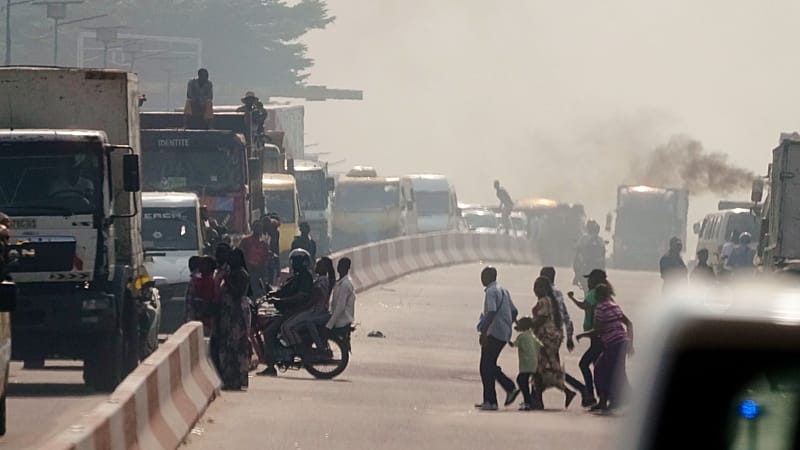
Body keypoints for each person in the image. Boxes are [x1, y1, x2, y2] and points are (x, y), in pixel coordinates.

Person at [577, 283, 634, 412]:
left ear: (597, 295)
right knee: (606, 370)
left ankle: (613, 400)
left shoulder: (600, 308)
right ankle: (607, 400)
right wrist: (630, 342)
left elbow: (597, 330)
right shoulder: (614, 305)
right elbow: (629, 323)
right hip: (621, 342)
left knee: (604, 371)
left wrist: (582, 335)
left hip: (613, 344)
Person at [259, 248, 314, 377]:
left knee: (268, 332)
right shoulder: (297, 277)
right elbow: (286, 290)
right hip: (288, 310)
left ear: (303, 262)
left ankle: (271, 367)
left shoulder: (305, 278)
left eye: (296, 261)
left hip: (294, 311)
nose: (294, 264)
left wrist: (280, 300)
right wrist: (273, 293)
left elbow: (300, 296)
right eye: (293, 261)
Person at [540, 267, 588, 403]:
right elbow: (566, 316)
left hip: (549, 336)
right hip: (556, 335)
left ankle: (577, 389)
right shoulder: (558, 293)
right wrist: (569, 336)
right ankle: (536, 396)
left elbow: (552, 317)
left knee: (544, 367)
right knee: (548, 367)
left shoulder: (548, 295)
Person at [475, 266, 518, 411]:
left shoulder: (491, 292)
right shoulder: (503, 291)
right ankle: (495, 396)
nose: (481, 278)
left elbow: (492, 312)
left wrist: (484, 333)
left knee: (485, 366)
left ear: (488, 277)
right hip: (503, 333)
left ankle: (494, 398)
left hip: (494, 333)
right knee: (489, 365)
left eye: (483, 276)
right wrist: (508, 325)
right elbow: (514, 311)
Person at [530, 276, 577, 409]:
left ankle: (539, 400)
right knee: (546, 369)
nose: (536, 290)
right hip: (550, 337)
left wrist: (528, 323)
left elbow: (541, 319)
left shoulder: (544, 301)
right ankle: (564, 392)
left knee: (538, 369)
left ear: (545, 289)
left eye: (539, 287)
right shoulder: (551, 300)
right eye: (535, 286)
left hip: (546, 338)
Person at [568, 269, 609, 407]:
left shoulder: (593, 294)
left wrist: (572, 298)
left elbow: (584, 305)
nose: (587, 281)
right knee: (598, 365)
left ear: (595, 280)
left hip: (596, 336)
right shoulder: (604, 293)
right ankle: (601, 395)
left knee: (584, 364)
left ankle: (591, 394)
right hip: (599, 336)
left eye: (590, 279)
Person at [216, 248, 252, 390]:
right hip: (228, 314)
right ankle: (229, 378)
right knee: (227, 346)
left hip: (237, 314)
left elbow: (237, 293)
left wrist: (226, 278)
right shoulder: (232, 273)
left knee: (236, 346)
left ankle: (236, 379)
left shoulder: (241, 274)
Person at [281, 256, 335, 347]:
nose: (316, 267)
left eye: (319, 265)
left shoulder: (321, 282)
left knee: (286, 327)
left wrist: (298, 309)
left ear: (325, 268)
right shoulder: (323, 280)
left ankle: (299, 348)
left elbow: (312, 301)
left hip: (314, 311)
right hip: (317, 310)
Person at [508, 317, 544, 411]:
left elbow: (513, 345)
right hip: (533, 363)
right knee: (524, 381)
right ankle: (529, 400)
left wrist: (507, 340)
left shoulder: (521, 337)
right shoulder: (532, 335)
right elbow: (540, 345)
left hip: (525, 364)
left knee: (521, 380)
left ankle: (528, 402)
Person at [238, 220, 272, 296]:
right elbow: (240, 254)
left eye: (260, 227)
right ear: (253, 228)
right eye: (257, 227)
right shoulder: (246, 241)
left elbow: (265, 257)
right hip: (248, 271)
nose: (259, 229)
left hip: (259, 271)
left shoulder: (264, 243)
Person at [573, 220, 606, 291]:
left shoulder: (584, 238)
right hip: (595, 263)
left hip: (587, 263)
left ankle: (576, 278)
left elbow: (578, 251)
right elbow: (603, 253)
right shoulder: (600, 239)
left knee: (578, 270)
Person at [326, 257, 356, 331]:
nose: (340, 268)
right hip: (339, 319)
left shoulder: (345, 284)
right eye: (339, 265)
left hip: (342, 321)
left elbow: (340, 307)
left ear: (348, 268)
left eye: (343, 266)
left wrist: (329, 324)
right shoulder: (339, 283)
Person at [262, 215, 281, 284]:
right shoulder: (259, 234)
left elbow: (276, 249)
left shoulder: (274, 234)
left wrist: (278, 270)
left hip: (270, 258)